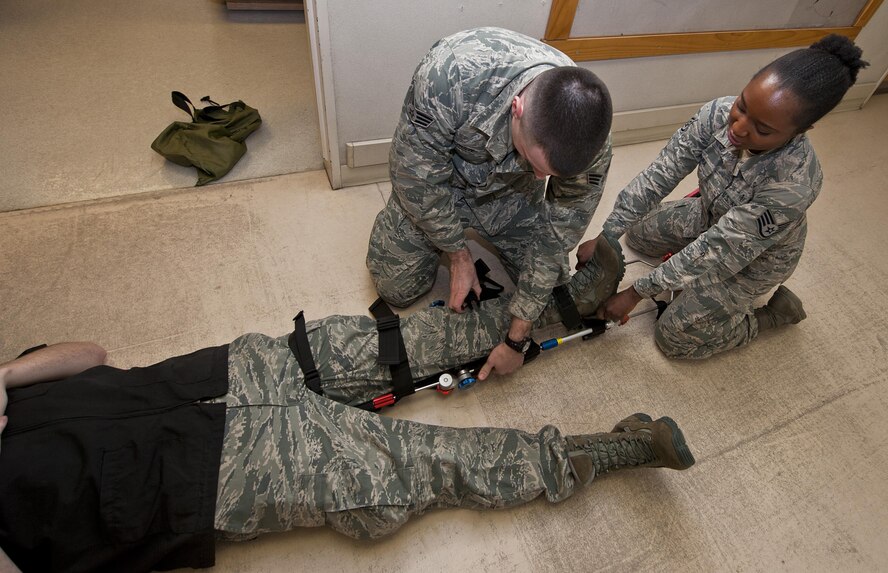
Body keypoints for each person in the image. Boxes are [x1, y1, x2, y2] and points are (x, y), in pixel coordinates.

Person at [0, 240, 695, 573]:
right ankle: (609, 450)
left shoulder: (14, 391)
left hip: (237, 368)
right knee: (429, 464)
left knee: (409, 339)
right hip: (230, 474)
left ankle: (563, 304)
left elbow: (89, 353)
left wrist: (6, 375)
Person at [577, 34, 868, 359]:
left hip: (754, 260)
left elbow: (718, 248)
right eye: (742, 105)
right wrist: (607, 235)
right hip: (710, 213)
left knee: (674, 339)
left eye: (763, 129)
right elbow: (658, 176)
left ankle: (770, 317)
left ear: (801, 130)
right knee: (638, 235)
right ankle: (682, 265)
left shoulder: (793, 184)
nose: (738, 128)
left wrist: (636, 292)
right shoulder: (717, 113)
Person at [367, 27, 614, 382]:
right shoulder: (450, 75)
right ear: (517, 108)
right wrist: (457, 253)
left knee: (553, 288)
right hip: (443, 188)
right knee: (396, 288)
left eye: (548, 175)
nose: (540, 178)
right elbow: (416, 176)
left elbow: (556, 235)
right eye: (532, 161)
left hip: (512, 198)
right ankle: (417, 230)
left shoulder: (590, 139)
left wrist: (516, 340)